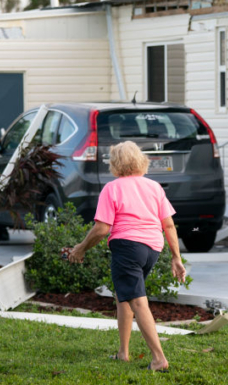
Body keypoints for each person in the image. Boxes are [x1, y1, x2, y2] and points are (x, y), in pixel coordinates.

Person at [68, 141, 186, 373]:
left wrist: (81, 248)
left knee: (137, 300)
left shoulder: (112, 188)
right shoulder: (154, 187)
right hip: (152, 248)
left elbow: (102, 228)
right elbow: (169, 224)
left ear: (115, 163)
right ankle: (123, 352)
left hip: (128, 247)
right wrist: (176, 257)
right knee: (125, 296)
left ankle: (159, 359)